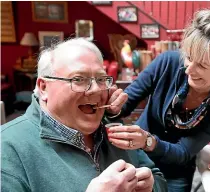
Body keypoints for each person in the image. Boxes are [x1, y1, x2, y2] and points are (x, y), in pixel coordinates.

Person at [105, 7, 210, 192]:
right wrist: (114, 107)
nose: (189, 69)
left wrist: (148, 141)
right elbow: (126, 104)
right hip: (138, 158)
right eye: (189, 57)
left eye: (202, 65)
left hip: (177, 171)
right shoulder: (168, 62)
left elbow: (184, 152)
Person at [1, 38, 167, 192]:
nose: (96, 89)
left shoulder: (113, 127)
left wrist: (152, 186)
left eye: (101, 79)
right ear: (44, 87)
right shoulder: (8, 148)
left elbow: (159, 180)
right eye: (79, 79)